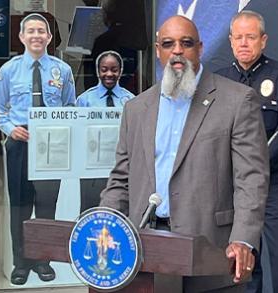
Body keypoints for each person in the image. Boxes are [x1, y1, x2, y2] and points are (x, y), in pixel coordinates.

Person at [100, 15, 268, 292]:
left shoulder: (238, 100)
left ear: (200, 49)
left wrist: (243, 239)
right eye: (168, 43)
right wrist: (103, 227)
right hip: (143, 252)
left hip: (211, 251)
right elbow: (121, 179)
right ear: (157, 51)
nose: (177, 50)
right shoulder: (136, 108)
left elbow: (251, 179)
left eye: (186, 43)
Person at [215, 10, 278, 293]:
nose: (244, 43)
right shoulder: (219, 80)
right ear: (230, 41)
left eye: (250, 37)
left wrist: (251, 166)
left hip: (275, 181)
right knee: (244, 260)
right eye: (238, 37)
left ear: (263, 41)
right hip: (234, 185)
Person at [0, 13, 76, 286]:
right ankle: (21, 262)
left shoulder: (62, 71)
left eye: (42, 31)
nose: (37, 35)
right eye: (31, 31)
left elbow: (70, 108)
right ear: (22, 37)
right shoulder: (9, 70)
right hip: (20, 144)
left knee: (47, 204)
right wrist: (10, 129)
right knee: (20, 206)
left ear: (49, 37)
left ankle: (43, 259)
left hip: (51, 145)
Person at [76, 50, 134, 213]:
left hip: (121, 170)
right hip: (91, 172)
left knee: (119, 212)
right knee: (90, 212)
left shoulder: (131, 101)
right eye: (104, 69)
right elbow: (78, 138)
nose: (109, 74)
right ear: (98, 71)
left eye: (114, 69)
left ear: (120, 71)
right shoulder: (84, 100)